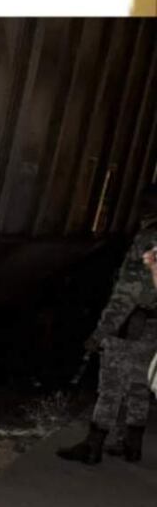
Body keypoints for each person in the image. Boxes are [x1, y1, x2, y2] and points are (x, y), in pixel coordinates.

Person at [58, 190, 157, 465]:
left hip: (131, 325)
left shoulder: (147, 239)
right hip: (154, 327)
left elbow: (126, 293)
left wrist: (100, 332)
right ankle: (132, 444)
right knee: (140, 384)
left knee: (111, 385)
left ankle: (93, 444)